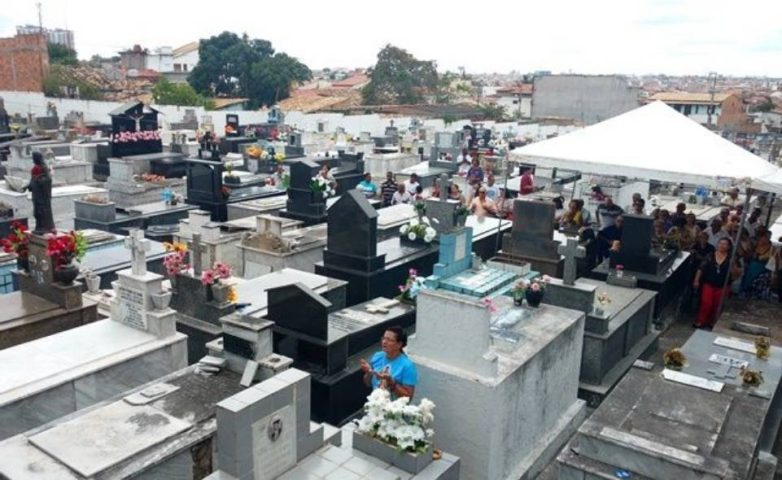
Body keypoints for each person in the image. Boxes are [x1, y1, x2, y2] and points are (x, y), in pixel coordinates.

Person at [693, 237, 740, 328]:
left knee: (718, 305)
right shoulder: (710, 255)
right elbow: (701, 269)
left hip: (723, 285)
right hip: (709, 283)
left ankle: (713, 322)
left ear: (729, 247)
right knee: (706, 303)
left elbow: (736, 274)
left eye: (725, 244)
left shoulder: (731, 258)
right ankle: (701, 321)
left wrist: (733, 264)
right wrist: (696, 280)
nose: (722, 246)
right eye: (720, 243)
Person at [359, 326, 417, 399]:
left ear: (399, 344)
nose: (384, 342)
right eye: (383, 338)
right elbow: (368, 384)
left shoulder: (408, 366)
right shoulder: (377, 356)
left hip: (394, 408)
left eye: (389, 340)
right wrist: (369, 372)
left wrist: (391, 382)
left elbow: (408, 397)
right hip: (375, 404)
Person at [741, 230, 775, 299]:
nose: (766, 238)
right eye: (764, 236)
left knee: (759, 283)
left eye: (768, 237)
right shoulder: (755, 246)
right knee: (748, 282)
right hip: (752, 267)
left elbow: (772, 260)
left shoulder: (772, 248)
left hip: (763, 269)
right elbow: (748, 255)